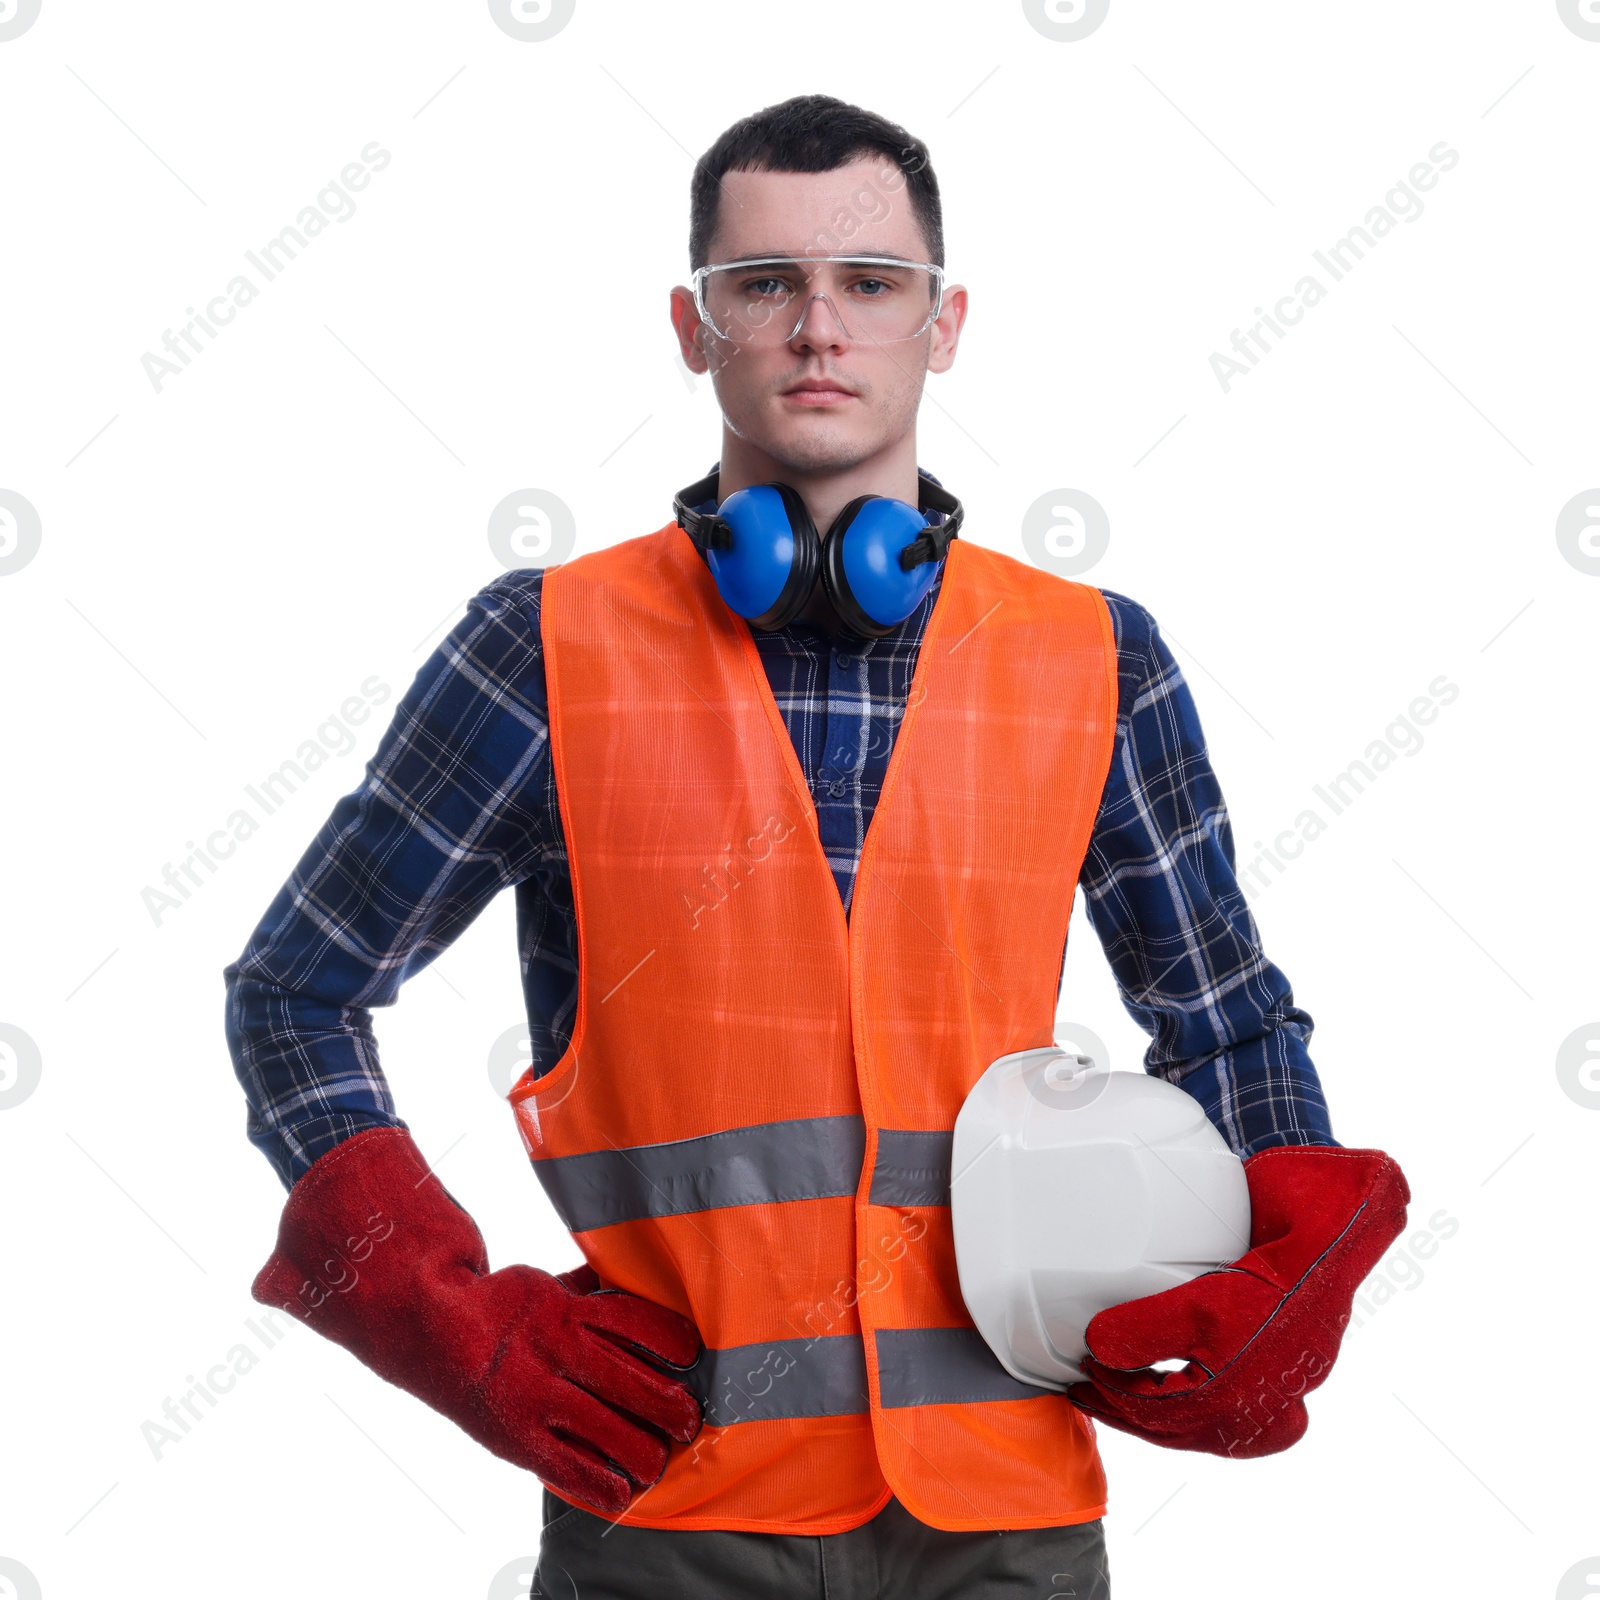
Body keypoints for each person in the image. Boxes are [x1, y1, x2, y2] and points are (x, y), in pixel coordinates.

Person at [226, 94, 1408, 1600]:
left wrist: (1292, 1242)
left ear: (946, 321)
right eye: (764, 284)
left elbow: (1225, 1018)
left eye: (870, 284)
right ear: (693, 325)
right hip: (671, 1505)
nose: (818, 329)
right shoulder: (546, 649)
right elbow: (295, 992)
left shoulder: (1095, 656)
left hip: (1011, 1509)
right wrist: (435, 1305)